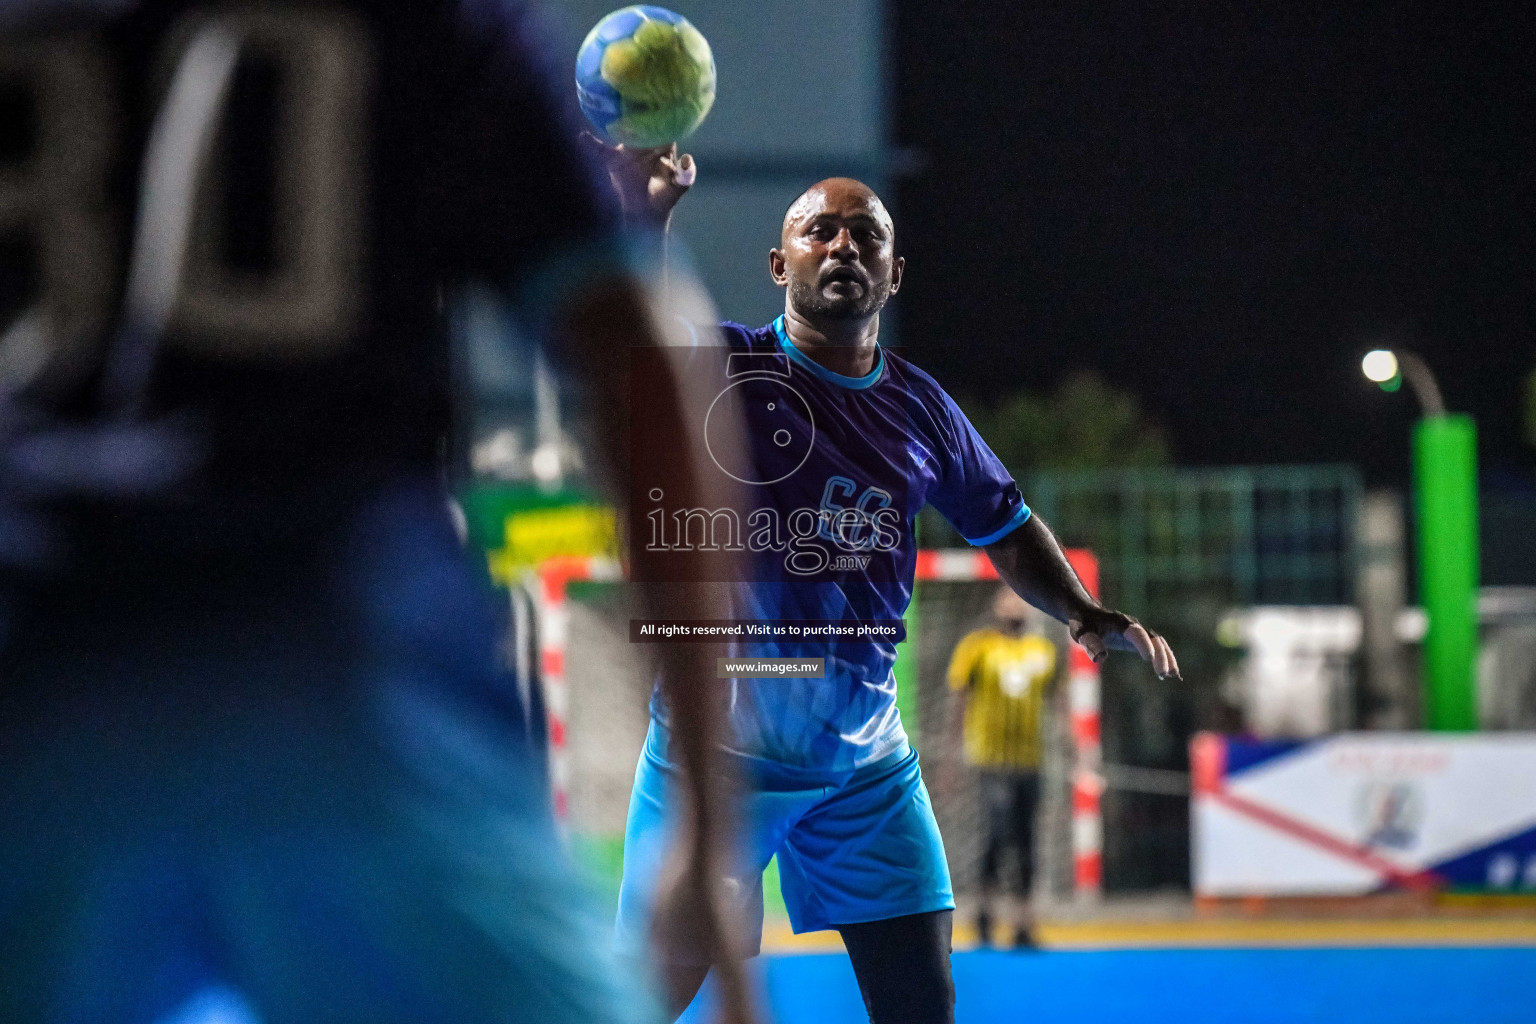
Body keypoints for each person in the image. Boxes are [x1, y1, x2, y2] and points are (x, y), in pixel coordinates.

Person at [0, 2, 754, 1022]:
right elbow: (648, 353)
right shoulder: (418, 28)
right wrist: (708, 821)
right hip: (345, 676)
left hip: (40, 693)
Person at [597, 143, 1181, 1024]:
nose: (841, 248)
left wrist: (1083, 611)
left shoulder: (922, 408)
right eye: (818, 232)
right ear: (778, 262)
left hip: (862, 764)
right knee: (641, 1000)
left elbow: (1008, 526)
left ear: (893, 271)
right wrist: (649, 219)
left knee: (921, 1004)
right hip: (714, 760)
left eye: (863, 236)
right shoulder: (728, 372)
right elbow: (637, 329)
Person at [946, 586, 1060, 949]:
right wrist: (952, 754)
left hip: (1030, 760)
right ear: (995, 606)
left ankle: (1024, 920)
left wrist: (1074, 749)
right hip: (989, 759)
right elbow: (959, 700)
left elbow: (1057, 703)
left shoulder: (1043, 652)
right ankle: (983, 911)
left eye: (1021, 599)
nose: (1014, 605)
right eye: (1007, 598)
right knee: (997, 833)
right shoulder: (977, 647)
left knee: (1027, 840)